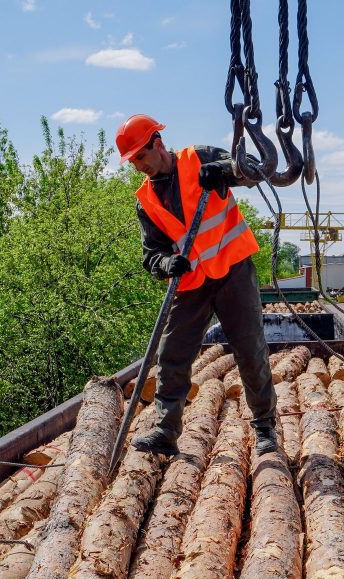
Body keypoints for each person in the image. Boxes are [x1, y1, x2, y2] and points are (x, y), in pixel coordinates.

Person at [115, 113, 278, 456]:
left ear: (157, 144)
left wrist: (224, 170)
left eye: (140, 157)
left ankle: (265, 427)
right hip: (191, 283)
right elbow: (152, 254)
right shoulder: (145, 199)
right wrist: (165, 264)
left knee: (250, 352)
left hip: (233, 271)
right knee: (171, 355)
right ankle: (166, 430)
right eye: (132, 161)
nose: (138, 166)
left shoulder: (200, 157)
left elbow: (250, 169)